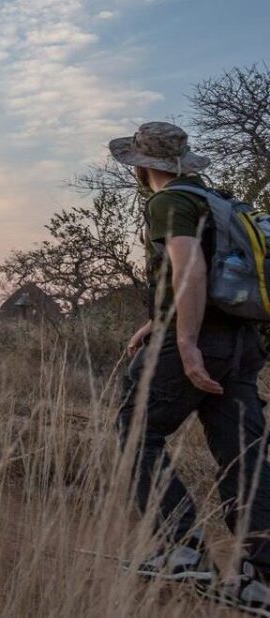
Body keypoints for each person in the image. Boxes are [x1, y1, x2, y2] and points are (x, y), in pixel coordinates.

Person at [110, 121, 270, 610]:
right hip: (243, 345)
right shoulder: (220, 202)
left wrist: (184, 341)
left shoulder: (169, 202)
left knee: (138, 429)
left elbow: (190, 270)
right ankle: (259, 580)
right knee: (243, 457)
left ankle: (182, 549)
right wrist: (155, 322)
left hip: (201, 344)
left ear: (142, 167)